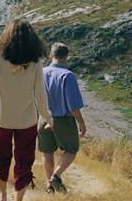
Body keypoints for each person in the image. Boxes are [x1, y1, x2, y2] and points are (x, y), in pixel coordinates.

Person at [0, 19, 54, 201]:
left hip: (2, 118)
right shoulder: (36, 62)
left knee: (0, 157)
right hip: (27, 121)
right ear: (32, 39)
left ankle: (2, 194)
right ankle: (18, 199)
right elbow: (40, 96)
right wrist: (49, 118)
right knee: (24, 162)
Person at [37, 42, 86, 194]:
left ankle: (49, 186)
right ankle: (56, 176)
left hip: (43, 117)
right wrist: (81, 123)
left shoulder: (41, 73)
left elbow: (35, 97)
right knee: (71, 149)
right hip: (62, 120)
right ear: (66, 57)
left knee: (47, 152)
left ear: (51, 55)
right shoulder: (68, 76)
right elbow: (73, 105)